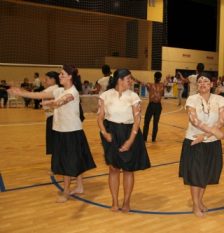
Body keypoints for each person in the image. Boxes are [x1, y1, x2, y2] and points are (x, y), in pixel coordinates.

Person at [8, 65, 96, 203]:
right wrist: (20, 93)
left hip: (71, 132)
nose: (59, 76)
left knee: (68, 162)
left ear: (70, 77)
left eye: (62, 74)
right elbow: (38, 95)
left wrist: (52, 103)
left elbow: (62, 101)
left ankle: (66, 191)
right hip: (61, 131)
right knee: (74, 159)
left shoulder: (73, 92)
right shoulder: (59, 90)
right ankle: (79, 186)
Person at [97, 69, 151, 212]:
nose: (131, 81)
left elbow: (137, 120)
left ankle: (126, 202)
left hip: (129, 132)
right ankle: (114, 201)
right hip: (111, 133)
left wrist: (130, 141)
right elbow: (100, 117)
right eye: (128, 79)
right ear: (119, 80)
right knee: (113, 169)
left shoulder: (133, 97)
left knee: (128, 170)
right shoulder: (105, 96)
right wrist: (104, 133)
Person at [179, 72, 224, 217]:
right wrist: (213, 130)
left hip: (210, 142)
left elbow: (222, 121)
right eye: (200, 82)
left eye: (206, 81)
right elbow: (193, 120)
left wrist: (205, 135)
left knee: (205, 174)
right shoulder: (192, 99)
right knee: (196, 175)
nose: (202, 84)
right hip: (193, 141)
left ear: (212, 84)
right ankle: (195, 205)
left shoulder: (219, 99)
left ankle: (199, 201)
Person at [140, 71, 168, 142]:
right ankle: (153, 139)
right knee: (155, 123)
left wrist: (133, 78)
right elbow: (166, 81)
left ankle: (144, 138)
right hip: (158, 106)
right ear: (160, 78)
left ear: (154, 77)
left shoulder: (150, 85)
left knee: (146, 122)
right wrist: (167, 78)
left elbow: (140, 82)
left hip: (151, 105)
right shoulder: (162, 85)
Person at [42, 71, 60, 155]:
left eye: (46, 79)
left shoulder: (49, 90)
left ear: (53, 79)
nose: (44, 81)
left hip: (52, 117)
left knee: (53, 142)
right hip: (57, 117)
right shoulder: (60, 89)